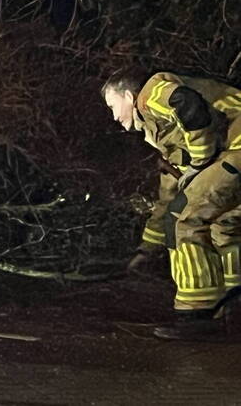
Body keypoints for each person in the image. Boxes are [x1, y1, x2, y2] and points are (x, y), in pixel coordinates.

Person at [103, 69, 241, 339]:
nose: (114, 117)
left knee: (184, 219)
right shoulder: (168, 138)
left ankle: (197, 315)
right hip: (233, 153)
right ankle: (234, 307)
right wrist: (146, 249)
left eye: (112, 105)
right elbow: (169, 197)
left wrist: (201, 160)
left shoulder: (150, 94)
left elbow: (186, 102)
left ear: (128, 96)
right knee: (225, 226)